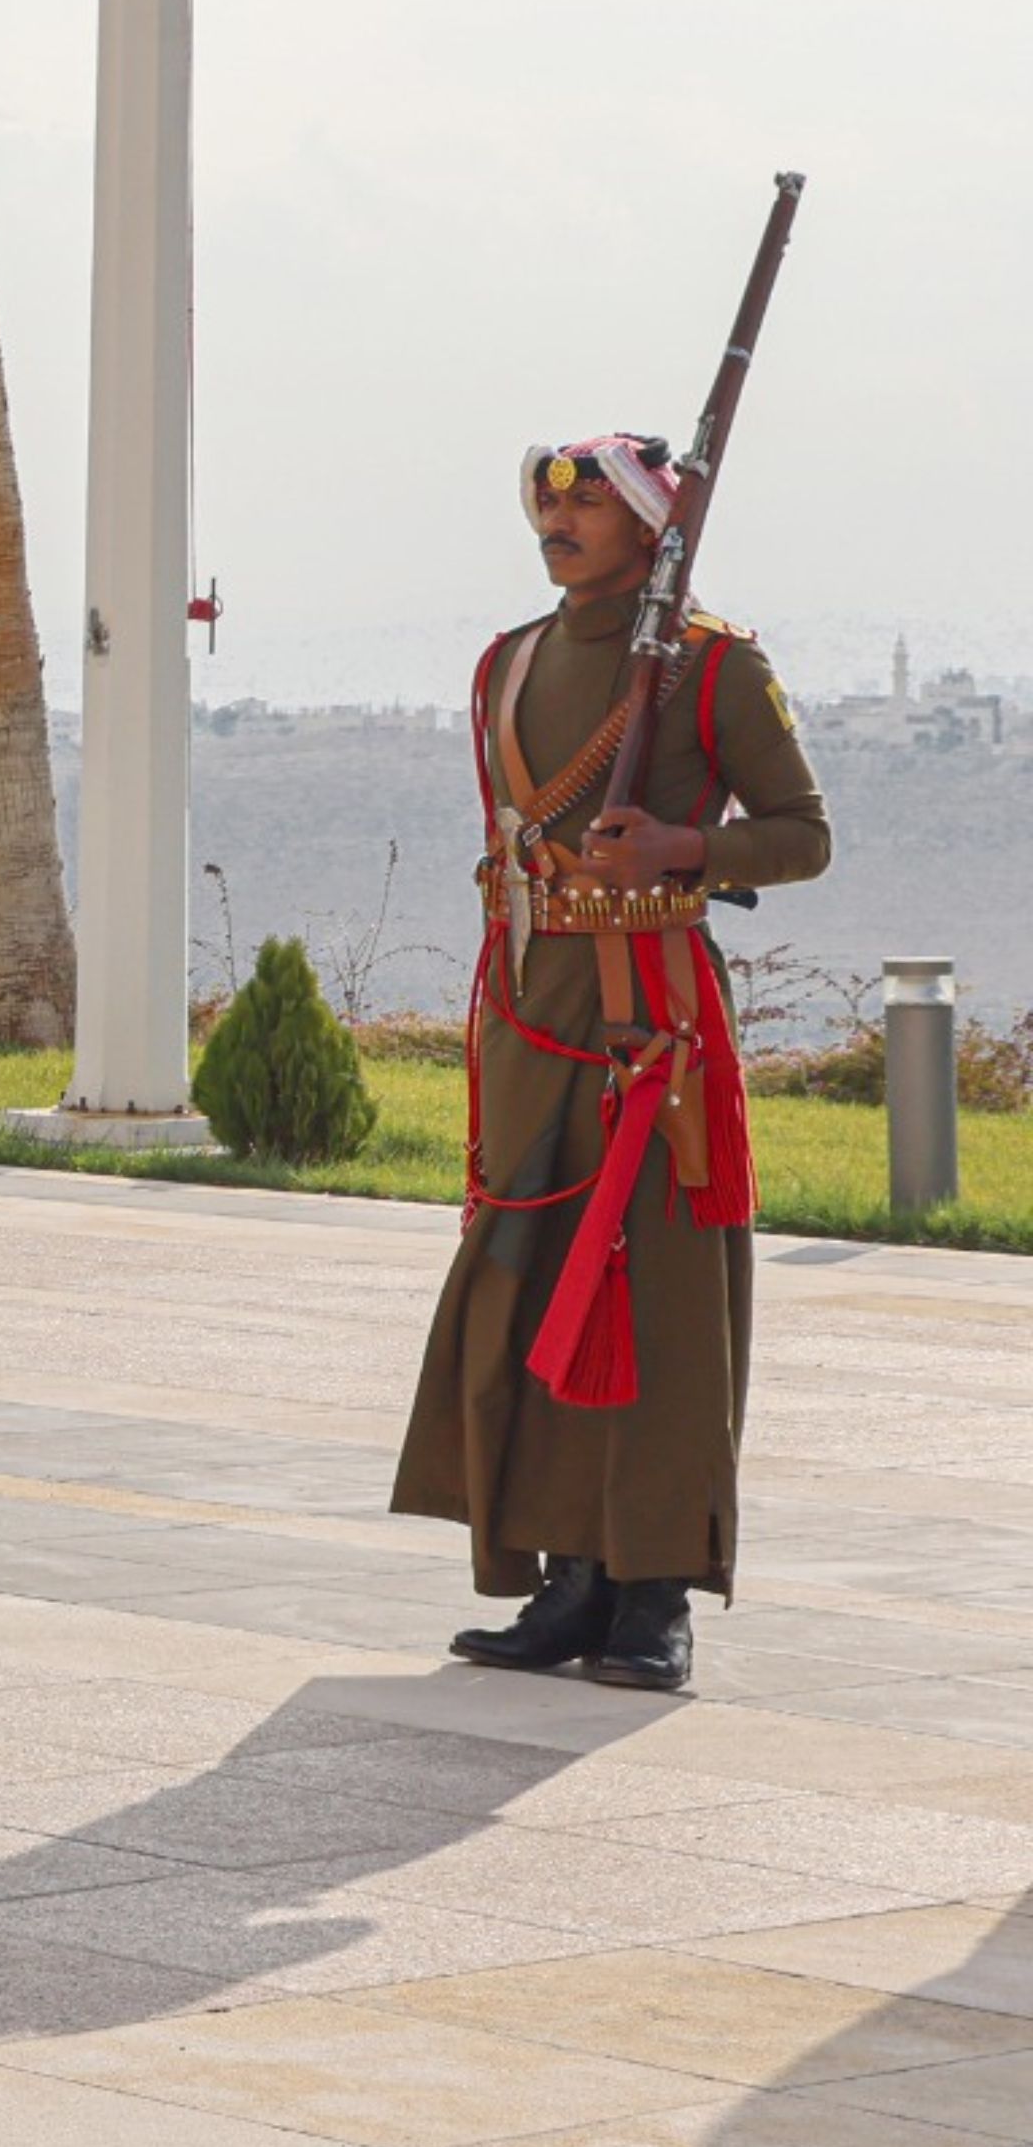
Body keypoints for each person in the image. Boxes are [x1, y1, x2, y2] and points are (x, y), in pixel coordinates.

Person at [393, 433, 830, 1697]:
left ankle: (654, 1591)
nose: (557, 523)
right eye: (547, 507)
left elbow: (804, 836)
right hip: (536, 1014)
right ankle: (565, 1573)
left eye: (588, 506)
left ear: (653, 528)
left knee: (659, 1296)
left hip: (655, 1026)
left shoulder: (712, 666)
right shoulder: (508, 663)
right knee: (530, 1280)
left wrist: (688, 848)